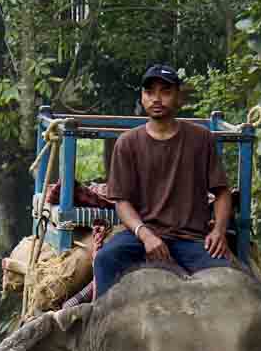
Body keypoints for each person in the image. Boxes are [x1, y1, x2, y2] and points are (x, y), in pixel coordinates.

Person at [93, 64, 235, 299]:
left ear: (179, 97)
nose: (156, 99)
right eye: (149, 92)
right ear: (142, 97)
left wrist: (219, 231)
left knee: (231, 279)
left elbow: (221, 192)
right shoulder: (127, 143)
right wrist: (146, 235)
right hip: (140, 237)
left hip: (191, 239)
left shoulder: (201, 139)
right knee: (106, 259)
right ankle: (101, 319)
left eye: (165, 91)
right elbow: (122, 201)